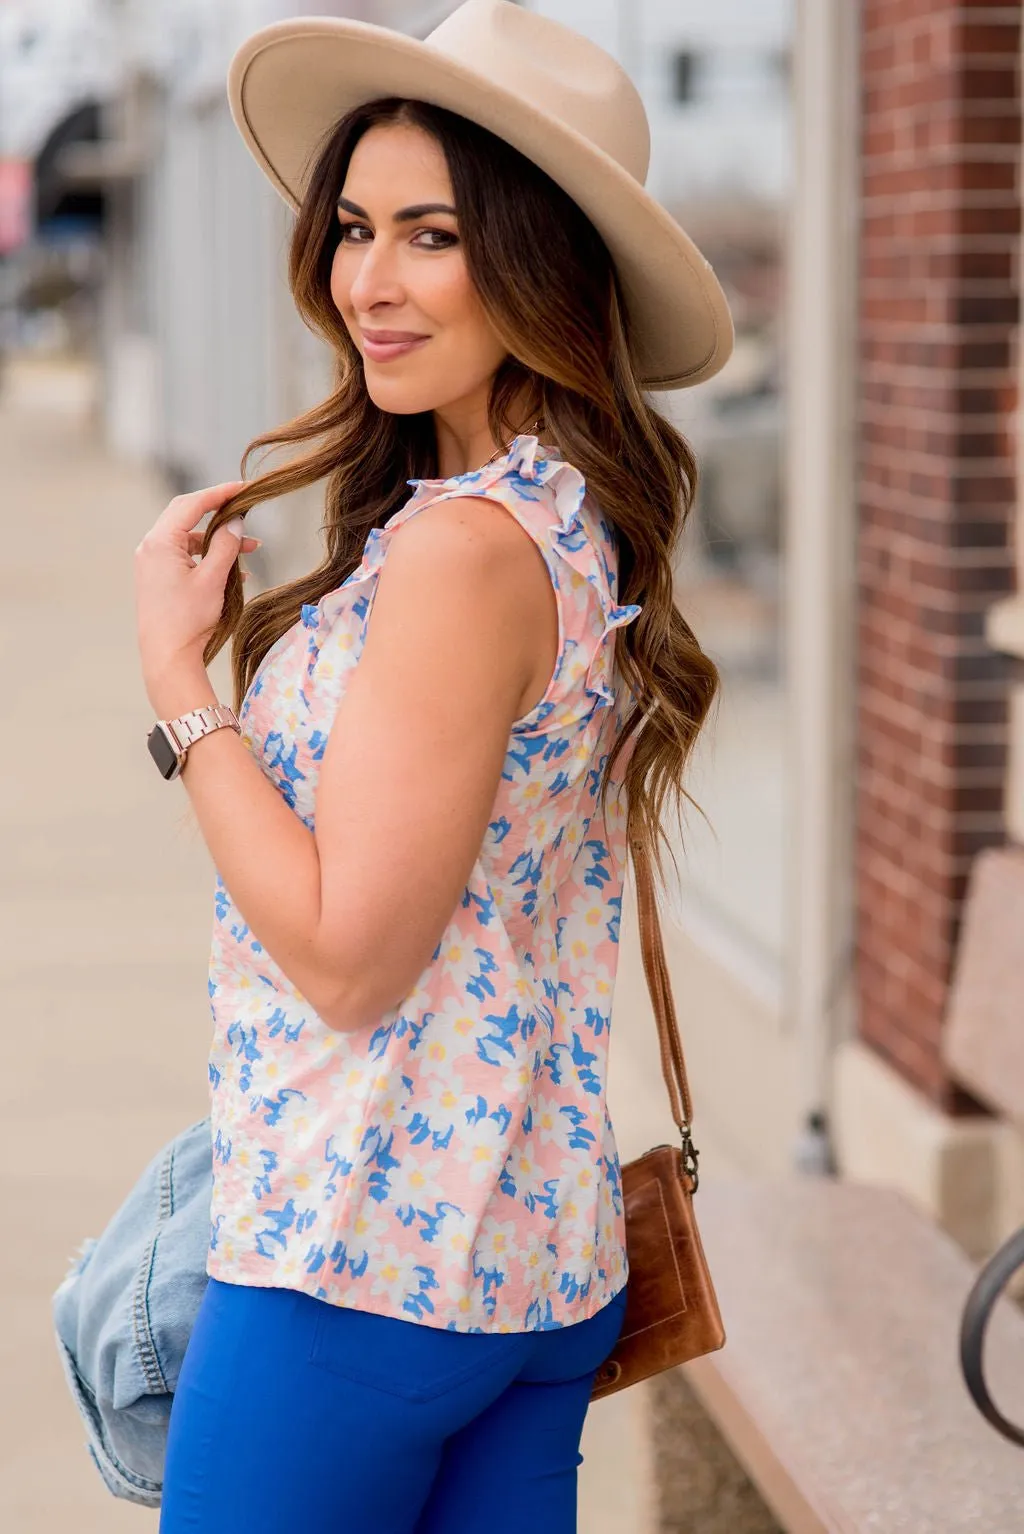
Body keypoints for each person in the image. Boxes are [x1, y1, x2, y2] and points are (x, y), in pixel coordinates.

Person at [132, 3, 732, 1529]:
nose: (366, 282)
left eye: (430, 235)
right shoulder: (559, 518)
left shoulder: (465, 553)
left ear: (537, 262)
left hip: (360, 1261)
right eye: (350, 227)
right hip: (527, 1256)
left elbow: (348, 957)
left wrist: (179, 691)